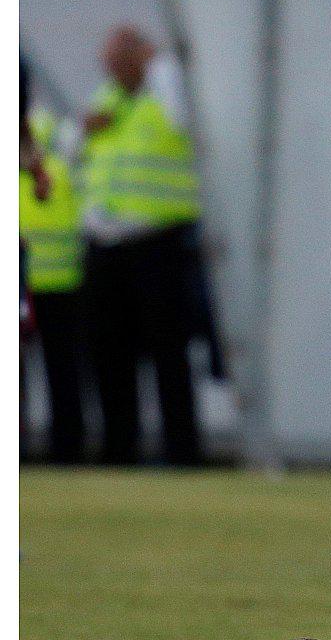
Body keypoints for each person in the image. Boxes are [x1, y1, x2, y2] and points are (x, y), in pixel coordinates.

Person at [80, 25, 207, 466]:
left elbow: (183, 117)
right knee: (109, 354)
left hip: (159, 241)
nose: (112, 71)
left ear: (142, 59)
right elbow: (74, 145)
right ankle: (118, 449)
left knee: (168, 352)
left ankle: (182, 451)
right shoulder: (108, 101)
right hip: (106, 245)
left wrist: (157, 62)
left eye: (121, 60)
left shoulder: (167, 97)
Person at [20, 107, 90, 462]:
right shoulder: (61, 161)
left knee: (41, 375)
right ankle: (68, 450)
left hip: (45, 284)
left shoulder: (51, 161)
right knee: (62, 374)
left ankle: (34, 451)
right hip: (59, 282)